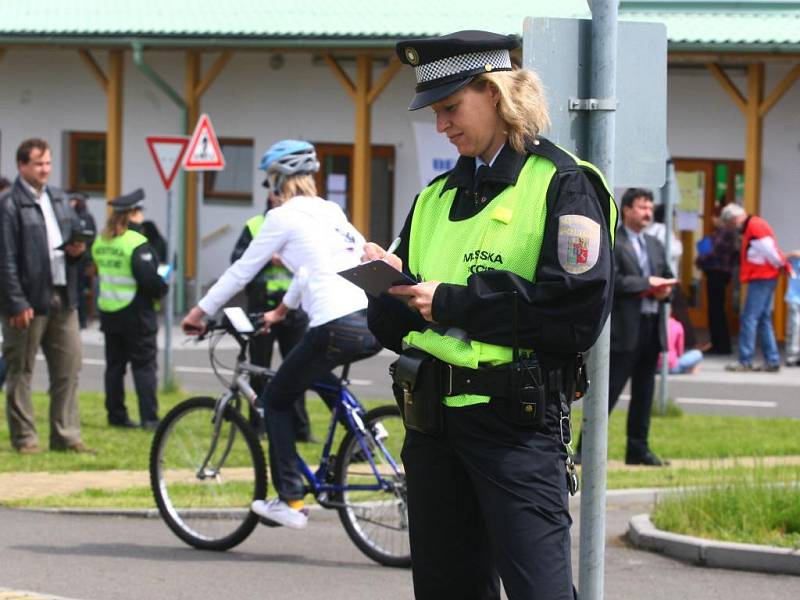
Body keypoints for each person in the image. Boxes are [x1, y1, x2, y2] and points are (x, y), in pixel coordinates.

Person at [363, 31, 616, 600]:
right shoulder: (434, 197)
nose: (441, 125)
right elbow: (393, 329)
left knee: (540, 592)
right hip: (431, 426)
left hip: (515, 427)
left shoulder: (564, 184)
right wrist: (384, 286)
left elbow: (575, 313)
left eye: (451, 108)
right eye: (435, 111)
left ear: (496, 93)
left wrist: (451, 301)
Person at [181, 139, 380, 529]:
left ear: (279, 181)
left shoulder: (282, 217)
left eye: (271, 181)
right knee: (306, 371)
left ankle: (289, 500)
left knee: (274, 401)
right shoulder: (330, 210)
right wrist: (282, 311)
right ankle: (366, 429)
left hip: (334, 322)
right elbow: (317, 268)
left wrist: (199, 311)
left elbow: (241, 271)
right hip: (370, 319)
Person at [0, 138, 93, 454]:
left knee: (69, 366)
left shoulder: (58, 198)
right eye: (38, 163)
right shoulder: (9, 204)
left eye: (48, 163)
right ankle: (25, 439)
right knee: (21, 370)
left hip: (63, 294)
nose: (45, 169)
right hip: (27, 300)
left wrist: (77, 251)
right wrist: (15, 301)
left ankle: (65, 435)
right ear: (22, 165)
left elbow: (67, 241)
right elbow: (5, 257)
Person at [230, 192, 312, 441]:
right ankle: (258, 425)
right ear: (269, 195)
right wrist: (268, 258)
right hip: (262, 307)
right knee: (258, 368)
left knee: (297, 370)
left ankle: (301, 430)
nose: (278, 198)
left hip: (293, 309)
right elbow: (238, 261)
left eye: (282, 193)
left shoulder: (301, 223)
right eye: (275, 193)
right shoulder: (254, 225)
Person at [604, 188, 676, 467]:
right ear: (627, 210)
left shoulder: (655, 244)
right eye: (642, 207)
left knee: (644, 394)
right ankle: (587, 447)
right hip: (625, 328)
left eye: (650, 207)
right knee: (609, 392)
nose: (648, 213)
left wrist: (665, 291)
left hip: (651, 326)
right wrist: (648, 284)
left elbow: (667, 277)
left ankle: (638, 449)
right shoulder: (615, 241)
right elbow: (616, 281)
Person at [92, 189, 168, 430]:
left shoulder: (101, 240)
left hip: (109, 310)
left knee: (114, 367)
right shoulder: (137, 242)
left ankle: (115, 415)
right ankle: (149, 418)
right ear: (134, 214)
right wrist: (162, 287)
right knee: (144, 366)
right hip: (136, 313)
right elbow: (149, 280)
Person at [721, 203, 793, 372]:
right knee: (763, 319)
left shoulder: (754, 226)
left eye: (731, 224)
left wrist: (781, 264)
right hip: (765, 277)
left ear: (734, 218)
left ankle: (745, 360)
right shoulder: (754, 225)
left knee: (749, 318)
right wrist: (781, 266)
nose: (732, 228)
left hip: (762, 277)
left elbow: (770, 250)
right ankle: (772, 360)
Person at [695, 213, 738, 355]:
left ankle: (720, 345)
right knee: (716, 309)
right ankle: (719, 343)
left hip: (717, 272)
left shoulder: (724, 232)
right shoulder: (728, 233)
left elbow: (714, 252)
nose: (713, 219)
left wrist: (699, 260)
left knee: (716, 310)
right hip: (720, 273)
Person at [66, 190, 97, 329]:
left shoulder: (84, 217)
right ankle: (79, 320)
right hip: (78, 257)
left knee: (78, 288)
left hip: (82, 258)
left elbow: (90, 238)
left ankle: (81, 319)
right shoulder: (76, 216)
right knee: (77, 288)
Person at [784, 251, 800, 367]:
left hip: (794, 296)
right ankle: (792, 355)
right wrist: (790, 255)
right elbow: (779, 259)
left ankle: (794, 355)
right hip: (794, 297)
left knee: (795, 326)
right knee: (794, 326)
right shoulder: (795, 258)